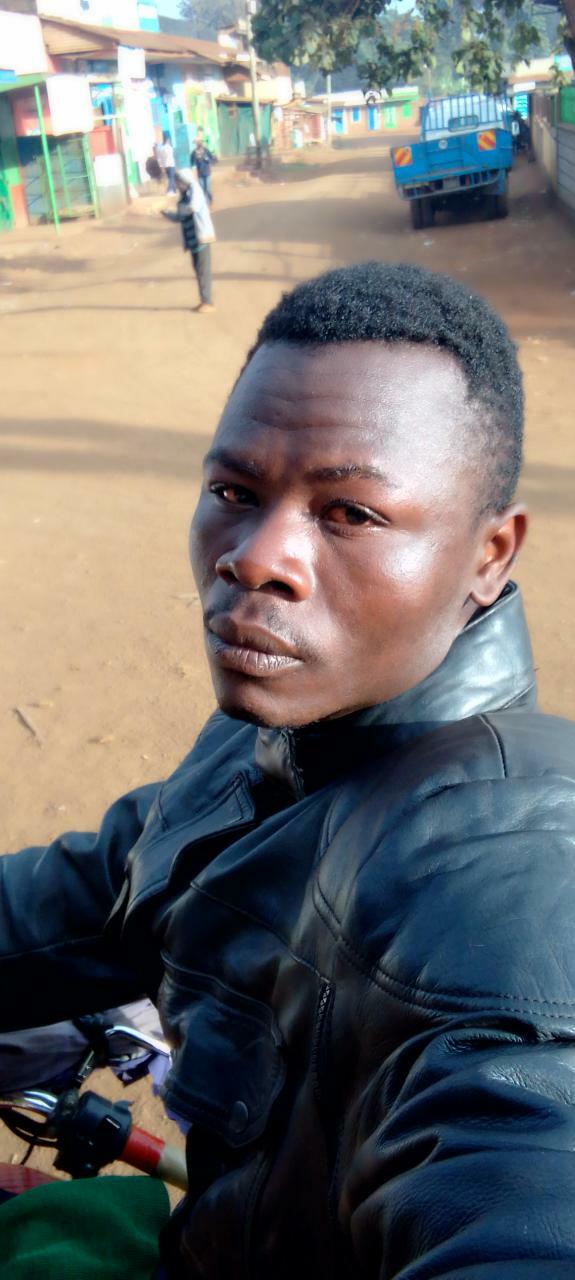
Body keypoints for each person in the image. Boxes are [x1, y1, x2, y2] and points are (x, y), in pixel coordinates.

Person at [3, 262, 575, 1279]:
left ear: (489, 554)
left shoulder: (509, 870)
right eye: (234, 492)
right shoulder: (271, 733)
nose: (255, 557)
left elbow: (524, 1175)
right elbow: (88, 889)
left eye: (348, 513)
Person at [162, 167, 215, 314]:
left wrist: (180, 211)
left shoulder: (195, 190)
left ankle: (208, 302)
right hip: (192, 240)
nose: (177, 186)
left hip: (202, 238)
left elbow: (193, 207)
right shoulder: (185, 195)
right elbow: (180, 217)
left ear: (184, 181)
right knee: (198, 270)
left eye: (178, 182)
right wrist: (167, 214)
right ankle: (203, 300)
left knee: (203, 271)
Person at [190, 129, 217, 205]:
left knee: (208, 189)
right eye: (197, 142)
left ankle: (210, 200)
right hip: (200, 174)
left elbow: (212, 159)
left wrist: (208, 159)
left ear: (201, 143)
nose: (199, 143)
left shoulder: (206, 150)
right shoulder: (194, 153)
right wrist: (194, 174)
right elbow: (193, 164)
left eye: (199, 142)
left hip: (207, 172)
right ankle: (205, 202)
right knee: (202, 189)